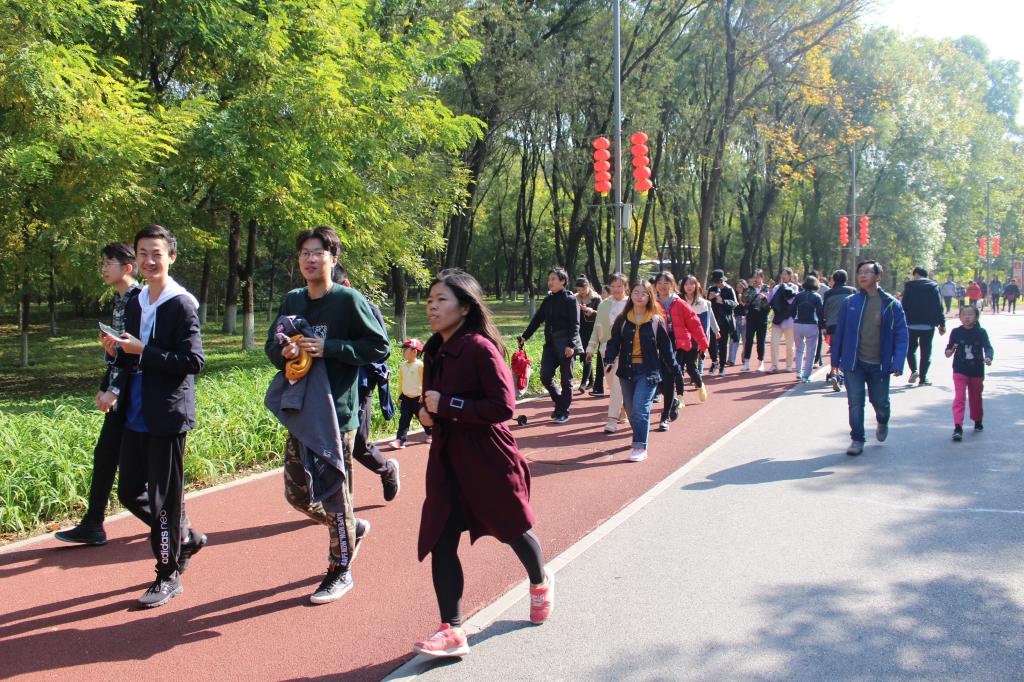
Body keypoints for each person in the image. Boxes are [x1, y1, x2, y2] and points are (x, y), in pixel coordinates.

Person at [413, 270, 552, 658]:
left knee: (513, 528)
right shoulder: (434, 349)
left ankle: (540, 581)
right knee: (441, 538)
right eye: (430, 300)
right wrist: (427, 415)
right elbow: (432, 401)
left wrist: (449, 406)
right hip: (447, 458)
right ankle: (452, 629)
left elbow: (503, 406)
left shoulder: (480, 348)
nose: (432, 307)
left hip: (488, 456)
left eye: (441, 299)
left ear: (465, 307)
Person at [265, 226, 390, 604]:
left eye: (317, 252)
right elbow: (272, 346)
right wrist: (284, 353)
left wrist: (329, 347)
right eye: (304, 252)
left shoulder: (348, 300)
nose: (309, 259)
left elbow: (379, 347)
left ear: (332, 259)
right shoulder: (292, 300)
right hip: (302, 409)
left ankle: (340, 569)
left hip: (337, 414)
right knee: (297, 495)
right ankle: (351, 526)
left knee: (335, 495)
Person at [109, 225, 206, 608]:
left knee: (164, 500)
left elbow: (194, 361)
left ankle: (167, 575)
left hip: (166, 415)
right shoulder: (137, 301)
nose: (149, 261)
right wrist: (117, 350)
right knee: (130, 491)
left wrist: (143, 351)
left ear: (171, 257)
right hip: (135, 411)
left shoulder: (181, 304)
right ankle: (185, 537)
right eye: (143, 254)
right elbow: (131, 354)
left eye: (157, 254)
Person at [56, 244, 142, 547]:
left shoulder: (138, 301)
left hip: (137, 393)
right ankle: (93, 523)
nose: (103, 268)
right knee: (106, 455)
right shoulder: (120, 300)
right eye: (102, 263)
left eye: (108, 263)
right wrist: (106, 379)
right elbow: (120, 352)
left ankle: (174, 523)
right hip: (122, 388)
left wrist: (114, 390)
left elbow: (135, 353)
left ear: (126, 267)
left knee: (137, 465)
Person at [831, 260, 909, 457]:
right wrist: (835, 362)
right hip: (854, 363)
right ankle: (857, 439)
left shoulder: (891, 304)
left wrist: (898, 362)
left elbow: (902, 334)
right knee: (855, 402)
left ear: (878, 276)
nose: (863, 275)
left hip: (879, 365)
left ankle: (882, 420)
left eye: (867, 272)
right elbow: (839, 333)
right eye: (860, 272)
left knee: (880, 402)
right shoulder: (850, 303)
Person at [337, 265, 401, 502]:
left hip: (359, 385)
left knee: (358, 444)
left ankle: (387, 469)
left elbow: (383, 350)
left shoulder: (366, 309)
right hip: (328, 386)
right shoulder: (321, 310)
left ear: (345, 285)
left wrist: (343, 351)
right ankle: (335, 506)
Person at [604, 280, 678, 462]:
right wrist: (609, 359)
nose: (639, 296)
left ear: (649, 297)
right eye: (636, 292)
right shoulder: (622, 319)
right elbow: (614, 343)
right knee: (631, 410)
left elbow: (667, 349)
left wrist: (675, 370)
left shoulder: (656, 321)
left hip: (648, 372)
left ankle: (639, 446)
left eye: (643, 293)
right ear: (631, 295)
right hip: (626, 371)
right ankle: (639, 434)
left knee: (640, 408)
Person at [519, 267, 583, 423]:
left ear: (563, 281)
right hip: (550, 345)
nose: (550, 282)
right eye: (549, 279)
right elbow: (537, 320)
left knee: (566, 381)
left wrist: (571, 345)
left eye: (553, 279)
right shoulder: (548, 300)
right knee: (545, 376)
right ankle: (560, 403)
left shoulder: (570, 299)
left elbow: (575, 325)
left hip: (566, 345)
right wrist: (525, 336)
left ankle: (563, 411)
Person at [653, 272, 708, 431]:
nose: (663, 286)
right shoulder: (652, 303)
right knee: (658, 381)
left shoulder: (680, 303)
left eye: (666, 282)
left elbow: (694, 323)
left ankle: (664, 417)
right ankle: (674, 402)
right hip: (656, 345)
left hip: (676, 345)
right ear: (655, 286)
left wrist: (703, 343)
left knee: (669, 379)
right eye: (660, 283)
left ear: (672, 285)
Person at [585, 273, 630, 431]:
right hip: (606, 350)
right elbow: (597, 328)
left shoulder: (631, 304)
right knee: (612, 384)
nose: (616, 289)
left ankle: (612, 419)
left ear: (625, 287)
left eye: (620, 286)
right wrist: (590, 348)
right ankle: (623, 407)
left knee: (617, 384)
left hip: (625, 349)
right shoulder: (603, 305)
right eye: (613, 286)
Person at [945, 305, 993, 442]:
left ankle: (977, 420)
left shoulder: (981, 332)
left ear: (976, 317)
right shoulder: (956, 332)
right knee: (960, 397)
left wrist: (988, 357)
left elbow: (988, 347)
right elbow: (948, 351)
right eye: (964, 314)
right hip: (959, 369)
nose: (967, 317)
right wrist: (950, 351)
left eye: (970, 314)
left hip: (976, 370)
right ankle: (958, 427)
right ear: (960, 317)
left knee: (975, 397)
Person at [901, 267, 946, 387]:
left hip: (911, 324)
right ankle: (923, 378)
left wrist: (901, 322)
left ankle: (914, 370)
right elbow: (939, 306)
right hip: (928, 324)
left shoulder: (909, 286)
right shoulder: (934, 287)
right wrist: (942, 324)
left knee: (911, 349)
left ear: (916, 274)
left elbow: (904, 305)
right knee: (926, 352)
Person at [392, 338, 432, 449]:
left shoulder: (420, 365)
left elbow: (425, 381)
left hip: (418, 398)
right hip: (405, 398)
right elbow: (401, 381)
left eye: (405, 349)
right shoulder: (403, 365)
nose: (403, 352)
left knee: (423, 418)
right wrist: (399, 395)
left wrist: (424, 395)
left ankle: (431, 433)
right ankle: (400, 440)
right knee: (404, 420)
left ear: (414, 352)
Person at [822, 269, 856, 391]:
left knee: (835, 350)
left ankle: (834, 372)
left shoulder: (828, 293)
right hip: (848, 325)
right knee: (846, 350)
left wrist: (824, 324)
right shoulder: (852, 291)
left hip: (832, 325)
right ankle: (841, 374)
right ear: (846, 279)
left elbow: (824, 311)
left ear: (834, 279)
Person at [681, 275, 718, 381]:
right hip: (682, 338)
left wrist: (703, 340)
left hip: (695, 338)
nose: (689, 286)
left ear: (696, 285)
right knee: (681, 363)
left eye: (691, 284)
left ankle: (698, 380)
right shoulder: (679, 301)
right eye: (686, 284)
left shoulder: (702, 303)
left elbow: (704, 324)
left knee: (694, 363)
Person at [791, 275, 824, 383]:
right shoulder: (817, 297)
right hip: (811, 325)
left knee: (799, 349)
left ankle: (798, 372)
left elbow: (792, 310)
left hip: (798, 324)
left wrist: (795, 319)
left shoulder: (798, 295)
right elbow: (820, 313)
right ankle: (806, 376)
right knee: (811, 351)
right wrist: (822, 325)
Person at [706, 269, 737, 376]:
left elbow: (735, 303)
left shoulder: (729, 289)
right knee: (711, 343)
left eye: (717, 282)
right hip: (713, 320)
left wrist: (723, 301)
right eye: (714, 282)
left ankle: (722, 366)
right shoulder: (711, 289)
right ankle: (715, 361)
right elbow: (706, 303)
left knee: (723, 344)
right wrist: (709, 298)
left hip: (725, 321)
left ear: (721, 280)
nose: (716, 284)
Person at [767, 268, 798, 373]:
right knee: (774, 343)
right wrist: (771, 289)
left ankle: (789, 365)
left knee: (789, 345)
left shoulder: (794, 287)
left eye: (785, 274)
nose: (783, 276)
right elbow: (769, 300)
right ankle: (774, 365)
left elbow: (791, 300)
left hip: (789, 320)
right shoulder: (776, 287)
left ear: (790, 276)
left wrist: (784, 288)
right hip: (777, 320)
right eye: (782, 274)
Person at [575, 277, 602, 393]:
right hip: (579, 329)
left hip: (592, 329)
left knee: (588, 353)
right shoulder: (575, 298)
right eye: (579, 289)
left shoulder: (596, 298)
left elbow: (601, 314)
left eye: (583, 289)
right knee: (582, 355)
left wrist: (589, 310)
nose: (581, 292)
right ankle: (591, 381)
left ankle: (583, 382)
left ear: (588, 287)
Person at [741, 269, 771, 371]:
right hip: (751, 317)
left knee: (760, 340)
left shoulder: (766, 288)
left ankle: (760, 362)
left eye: (757, 276)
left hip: (762, 317)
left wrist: (764, 298)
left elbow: (769, 304)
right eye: (754, 277)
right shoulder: (750, 289)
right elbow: (744, 300)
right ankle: (746, 362)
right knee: (748, 339)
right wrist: (749, 289)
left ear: (762, 277)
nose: (755, 279)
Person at [729, 278, 748, 366]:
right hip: (735, 318)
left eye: (741, 287)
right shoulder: (734, 295)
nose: (739, 289)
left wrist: (742, 299)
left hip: (746, 319)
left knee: (746, 340)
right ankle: (731, 360)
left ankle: (745, 356)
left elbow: (746, 307)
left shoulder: (748, 295)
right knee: (734, 339)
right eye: (737, 287)